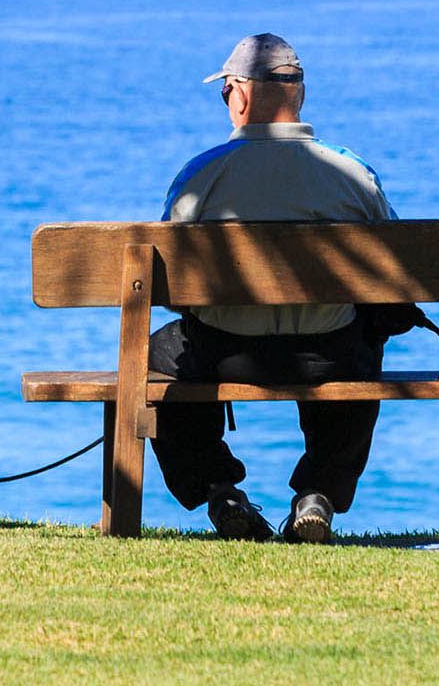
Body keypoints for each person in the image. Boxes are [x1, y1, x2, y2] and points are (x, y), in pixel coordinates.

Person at [150, 32, 392, 544]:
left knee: (158, 354)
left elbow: (166, 282)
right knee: (364, 343)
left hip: (226, 353)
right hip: (328, 354)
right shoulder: (352, 174)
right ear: (297, 95)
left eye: (225, 94)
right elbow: (393, 275)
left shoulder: (202, 177)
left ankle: (219, 489)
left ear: (240, 94)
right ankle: (319, 493)